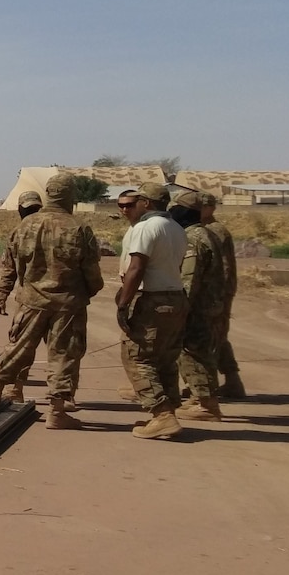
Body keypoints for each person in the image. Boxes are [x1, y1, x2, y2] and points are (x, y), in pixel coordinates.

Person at [0, 174, 103, 428]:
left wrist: (7, 291)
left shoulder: (24, 226)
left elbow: (12, 264)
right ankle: (57, 411)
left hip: (31, 299)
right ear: (70, 196)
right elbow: (91, 270)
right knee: (63, 355)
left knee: (19, 347)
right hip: (67, 304)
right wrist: (92, 290)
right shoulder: (78, 227)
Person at [114, 181, 189, 440]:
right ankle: (168, 412)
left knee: (137, 356)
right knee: (165, 357)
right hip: (176, 296)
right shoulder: (177, 228)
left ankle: (161, 414)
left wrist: (123, 304)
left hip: (153, 299)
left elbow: (137, 267)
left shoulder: (146, 227)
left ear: (147, 203)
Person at [169, 190, 228, 421]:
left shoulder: (193, 238)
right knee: (201, 351)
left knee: (193, 351)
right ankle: (198, 397)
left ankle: (206, 404)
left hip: (197, 305)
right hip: (209, 303)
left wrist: (181, 305)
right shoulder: (206, 233)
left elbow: (190, 277)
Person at [199, 193, 245, 399]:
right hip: (216, 291)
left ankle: (208, 386)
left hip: (217, 292)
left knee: (211, 335)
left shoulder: (214, 230)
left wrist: (219, 294)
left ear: (211, 208)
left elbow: (223, 266)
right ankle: (231, 380)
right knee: (216, 335)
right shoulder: (206, 229)